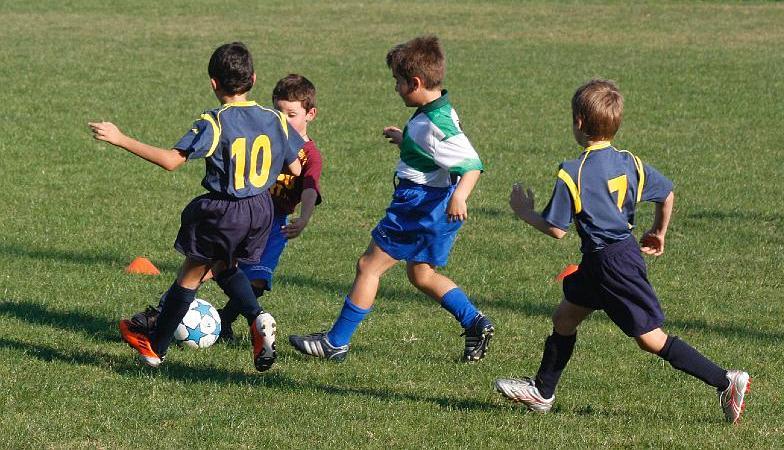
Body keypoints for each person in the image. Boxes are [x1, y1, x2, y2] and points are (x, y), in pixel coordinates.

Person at [494, 79, 749, 423]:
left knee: (651, 339)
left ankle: (726, 381)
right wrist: (659, 231)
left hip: (612, 264)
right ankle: (542, 392)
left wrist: (525, 212)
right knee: (564, 318)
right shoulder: (629, 161)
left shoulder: (574, 171)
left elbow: (556, 229)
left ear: (579, 122)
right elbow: (667, 192)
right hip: (610, 256)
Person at [89, 42, 304, 372]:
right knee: (223, 268)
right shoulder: (274, 118)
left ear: (213, 84)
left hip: (224, 211)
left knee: (188, 279)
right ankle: (257, 316)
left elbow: (170, 161)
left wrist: (120, 138)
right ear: (254, 79)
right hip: (260, 210)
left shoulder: (214, 122)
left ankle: (155, 348)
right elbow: (295, 169)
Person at [289, 35, 494, 363]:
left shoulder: (434, 124)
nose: (395, 88)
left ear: (415, 82)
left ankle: (336, 342)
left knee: (369, 266)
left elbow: (472, 163)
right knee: (421, 275)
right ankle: (475, 322)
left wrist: (462, 196)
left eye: (398, 82)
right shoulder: (435, 112)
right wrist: (407, 141)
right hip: (434, 206)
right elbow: (437, 152)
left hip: (419, 206)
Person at [135, 74, 324, 347]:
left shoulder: (309, 153)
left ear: (310, 115)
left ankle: (223, 321)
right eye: (279, 111)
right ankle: (161, 315)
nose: (284, 117)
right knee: (207, 270)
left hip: (274, 223)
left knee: (256, 279)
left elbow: (309, 186)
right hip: (250, 212)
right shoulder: (270, 129)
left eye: (291, 114)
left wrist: (304, 217)